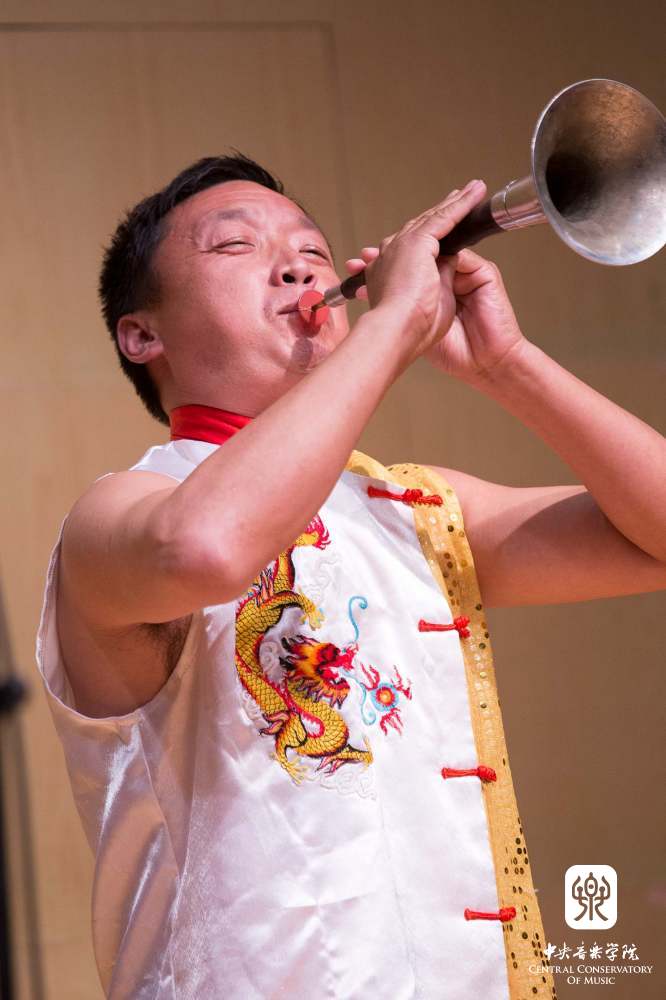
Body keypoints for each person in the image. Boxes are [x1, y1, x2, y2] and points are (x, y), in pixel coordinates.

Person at [36, 154, 666, 999]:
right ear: (142, 335)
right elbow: (208, 550)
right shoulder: (120, 510)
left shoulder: (411, 505)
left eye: (313, 250)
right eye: (236, 246)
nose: (297, 268)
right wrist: (392, 324)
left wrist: (508, 364)